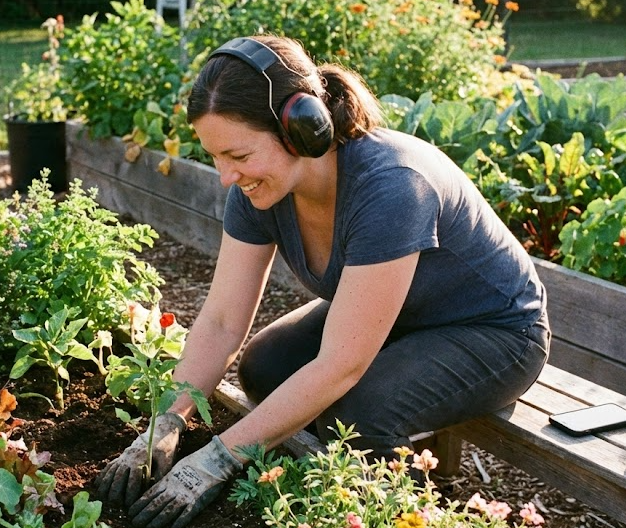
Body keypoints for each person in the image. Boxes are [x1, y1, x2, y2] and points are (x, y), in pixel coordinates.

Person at [95, 35, 550, 528]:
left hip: (495, 333)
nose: (226, 176)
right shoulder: (257, 190)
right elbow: (224, 321)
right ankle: (333, 469)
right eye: (215, 157)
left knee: (359, 416)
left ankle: (394, 512)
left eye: (239, 155)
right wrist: (168, 420)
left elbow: (340, 367)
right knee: (265, 367)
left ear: (301, 130)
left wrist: (218, 459)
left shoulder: (392, 186)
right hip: (401, 317)